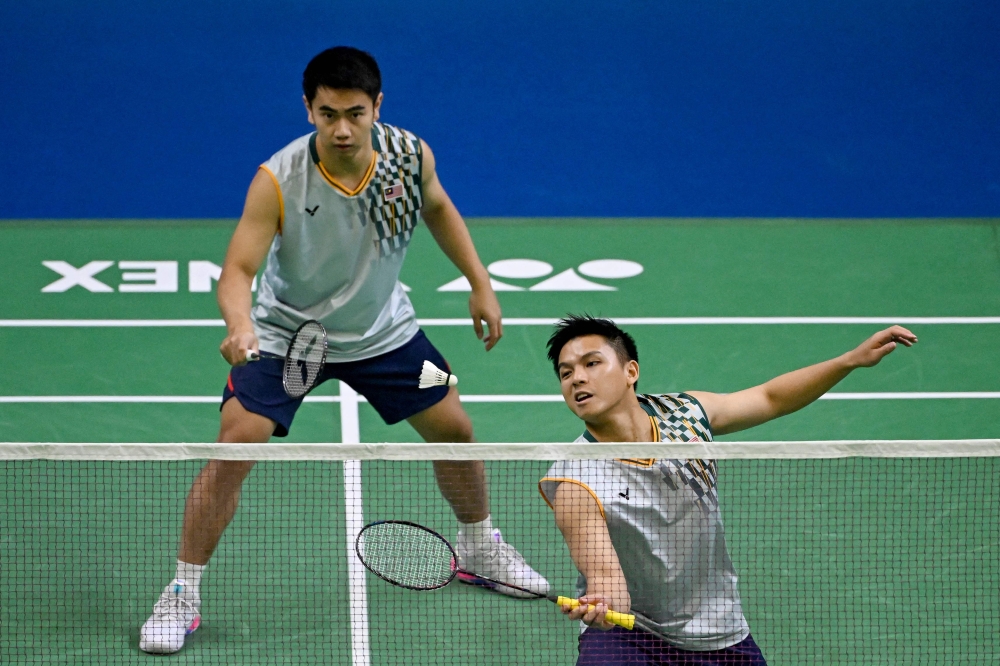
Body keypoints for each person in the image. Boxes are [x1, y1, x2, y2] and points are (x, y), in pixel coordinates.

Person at [139, 46, 548, 655]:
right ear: (308, 109)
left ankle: (478, 546)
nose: (342, 129)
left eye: (355, 113)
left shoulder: (408, 155)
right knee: (233, 447)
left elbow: (438, 206)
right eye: (328, 114)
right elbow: (238, 269)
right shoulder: (278, 179)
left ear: (377, 106)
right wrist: (240, 324)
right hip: (287, 336)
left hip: (384, 332)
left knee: (457, 431)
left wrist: (479, 282)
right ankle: (182, 592)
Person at [539, 315, 917, 666]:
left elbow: (770, 398)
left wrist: (849, 361)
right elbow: (605, 578)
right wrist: (604, 605)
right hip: (631, 635)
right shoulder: (575, 479)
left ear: (630, 371)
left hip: (716, 627)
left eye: (591, 363)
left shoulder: (685, 416)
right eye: (565, 372)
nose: (577, 379)